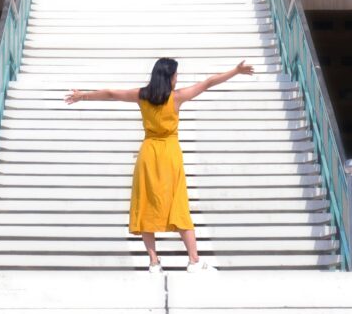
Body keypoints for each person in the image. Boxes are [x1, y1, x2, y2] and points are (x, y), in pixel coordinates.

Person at [67, 55, 253, 271]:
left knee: (145, 204)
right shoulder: (176, 97)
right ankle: (194, 260)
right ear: (170, 77)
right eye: (176, 74)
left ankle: (154, 262)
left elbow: (111, 94)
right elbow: (209, 82)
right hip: (170, 155)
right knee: (179, 204)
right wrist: (235, 71)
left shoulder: (142, 95)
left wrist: (82, 96)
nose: (177, 78)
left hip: (148, 154)